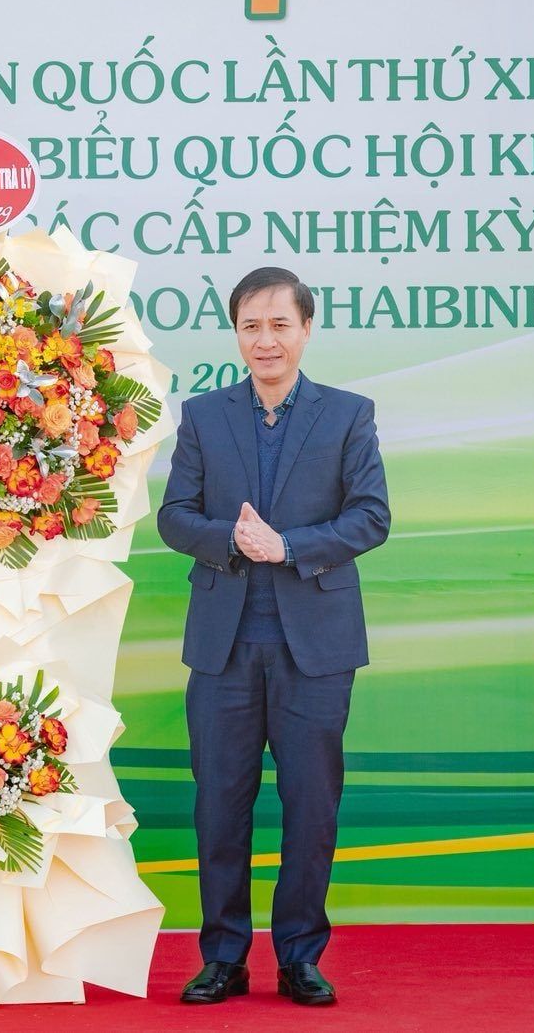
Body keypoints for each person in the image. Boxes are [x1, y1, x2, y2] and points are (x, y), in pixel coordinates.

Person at [157, 267, 390, 1008]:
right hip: (223, 645)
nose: (266, 340)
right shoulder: (203, 416)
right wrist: (233, 539)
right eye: (251, 326)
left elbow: (371, 516)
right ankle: (223, 957)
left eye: (280, 325)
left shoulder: (347, 415)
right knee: (219, 807)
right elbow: (174, 516)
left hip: (314, 646)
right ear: (236, 333)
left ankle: (299, 957)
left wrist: (287, 547)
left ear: (306, 330)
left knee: (311, 805)